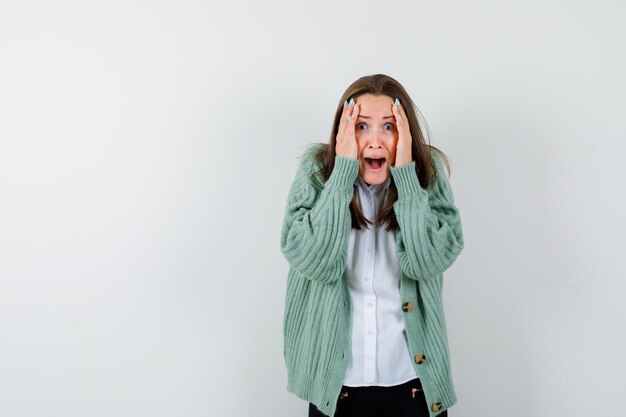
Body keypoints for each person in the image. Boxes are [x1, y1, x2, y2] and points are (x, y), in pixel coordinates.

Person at [280, 74, 464, 417]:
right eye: (361, 126)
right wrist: (341, 176)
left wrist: (407, 177)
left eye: (389, 127)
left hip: (414, 387)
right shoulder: (317, 172)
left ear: (405, 133)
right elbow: (313, 261)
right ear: (343, 131)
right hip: (337, 391)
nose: (374, 141)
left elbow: (429, 261)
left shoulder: (429, 173)